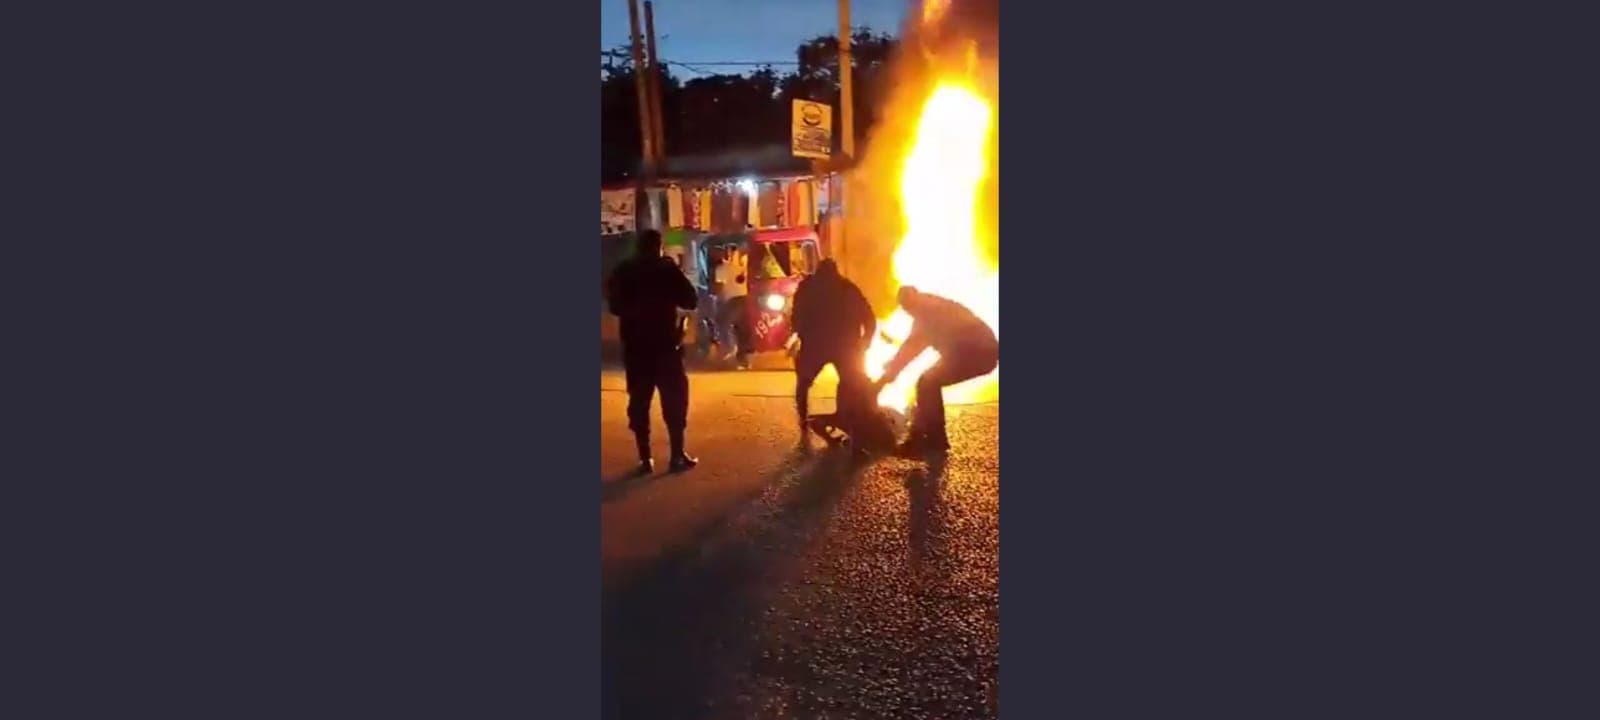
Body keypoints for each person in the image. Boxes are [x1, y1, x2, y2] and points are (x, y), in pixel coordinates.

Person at [606, 229, 700, 474]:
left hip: (636, 349)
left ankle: (645, 459)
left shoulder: (624, 271)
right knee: (675, 401)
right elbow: (691, 300)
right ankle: (676, 455)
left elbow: (614, 306)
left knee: (639, 403)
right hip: (665, 347)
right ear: (658, 246)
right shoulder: (666, 270)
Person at [870, 286, 999, 456]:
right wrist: (892, 366)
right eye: (905, 309)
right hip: (973, 352)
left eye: (907, 308)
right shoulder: (931, 307)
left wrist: (883, 380)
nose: (908, 312)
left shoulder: (928, 314)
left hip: (975, 354)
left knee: (927, 383)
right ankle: (932, 438)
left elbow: (911, 349)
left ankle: (929, 440)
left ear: (913, 300)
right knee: (927, 383)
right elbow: (911, 347)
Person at [791, 259, 879, 445]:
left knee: (805, 383)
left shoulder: (809, 287)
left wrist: (800, 334)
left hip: (818, 344)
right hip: (844, 346)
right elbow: (869, 316)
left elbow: (797, 314)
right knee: (850, 382)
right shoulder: (847, 288)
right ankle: (843, 418)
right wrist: (866, 341)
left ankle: (810, 419)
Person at [713, 248, 750, 364]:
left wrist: (717, 298)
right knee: (741, 329)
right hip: (745, 299)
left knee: (721, 322)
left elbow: (719, 289)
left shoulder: (721, 269)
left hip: (733, 300)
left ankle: (729, 347)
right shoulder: (743, 268)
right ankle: (742, 357)